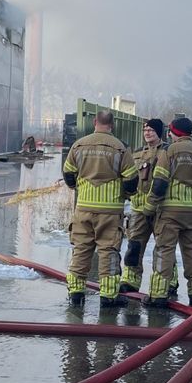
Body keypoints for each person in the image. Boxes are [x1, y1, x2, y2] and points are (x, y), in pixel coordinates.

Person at [62, 110, 138, 307]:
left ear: (95, 122)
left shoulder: (79, 145)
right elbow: (131, 178)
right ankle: (108, 296)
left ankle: (76, 294)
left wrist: (78, 187)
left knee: (81, 250)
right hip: (110, 211)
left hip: (83, 208)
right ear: (112, 125)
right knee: (108, 252)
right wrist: (127, 194)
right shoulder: (120, 148)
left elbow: (68, 173)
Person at [145, 117, 192, 308]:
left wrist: (149, 208)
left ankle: (158, 296)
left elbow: (159, 184)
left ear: (173, 132)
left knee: (164, 251)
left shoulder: (169, 152)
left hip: (170, 212)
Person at [120, 118, 168, 294]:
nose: (147, 133)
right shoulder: (137, 153)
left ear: (159, 132)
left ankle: (169, 283)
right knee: (134, 246)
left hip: (161, 209)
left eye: (151, 130)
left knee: (163, 249)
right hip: (139, 210)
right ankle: (130, 280)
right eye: (145, 130)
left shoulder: (168, 151)